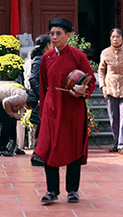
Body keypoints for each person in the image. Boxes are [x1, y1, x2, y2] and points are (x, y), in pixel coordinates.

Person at [35, 18, 95, 205]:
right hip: (52, 110)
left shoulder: (78, 56)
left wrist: (83, 91)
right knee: (49, 148)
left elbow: (90, 80)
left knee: (73, 148)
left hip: (73, 110)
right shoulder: (46, 57)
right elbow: (43, 85)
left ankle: (72, 190)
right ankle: (51, 190)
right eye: (52, 33)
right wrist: (42, 111)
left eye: (58, 34)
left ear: (68, 35)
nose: (54, 37)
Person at [98, 28, 123, 155]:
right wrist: (103, 87)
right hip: (111, 88)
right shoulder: (105, 52)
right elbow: (101, 71)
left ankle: (122, 145)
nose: (115, 39)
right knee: (113, 118)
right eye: (113, 37)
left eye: (118, 37)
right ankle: (116, 143)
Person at [26, 34, 51, 167]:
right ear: (47, 45)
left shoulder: (43, 58)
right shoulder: (39, 59)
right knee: (41, 128)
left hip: (42, 97)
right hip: (39, 98)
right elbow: (33, 79)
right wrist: (42, 96)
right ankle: (38, 156)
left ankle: (41, 155)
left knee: (43, 128)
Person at [0, 84, 28, 157]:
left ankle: (14, 146)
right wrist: (10, 113)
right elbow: (5, 102)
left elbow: (12, 106)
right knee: (7, 122)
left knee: (12, 121)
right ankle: (1, 149)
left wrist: (14, 114)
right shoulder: (23, 97)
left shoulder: (24, 97)